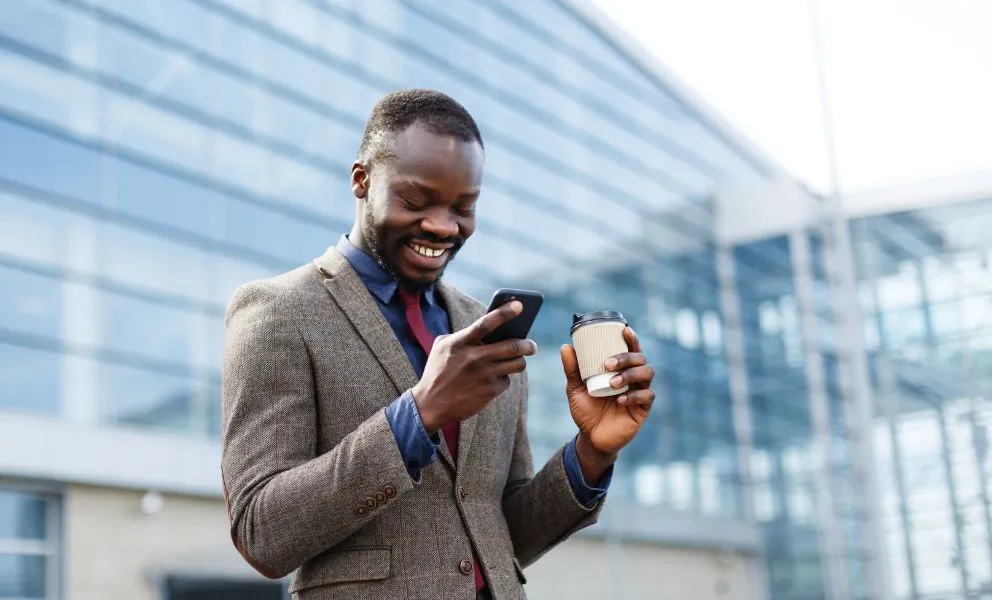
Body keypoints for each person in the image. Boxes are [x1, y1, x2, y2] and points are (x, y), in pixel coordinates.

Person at [220, 89, 657, 600]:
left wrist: (591, 453)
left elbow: (503, 533)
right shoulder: (277, 311)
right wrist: (419, 414)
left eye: (463, 207)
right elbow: (262, 532)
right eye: (416, 200)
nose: (443, 226)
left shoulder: (482, 324)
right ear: (362, 180)